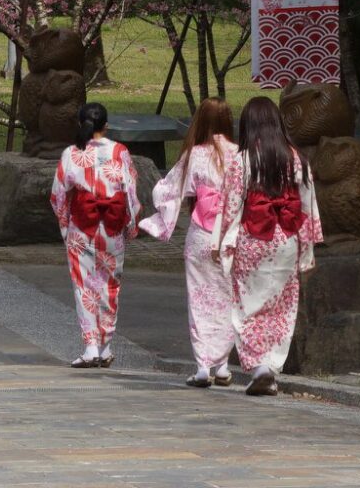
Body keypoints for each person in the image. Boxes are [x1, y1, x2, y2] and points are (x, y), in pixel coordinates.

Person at [219, 96, 322, 396]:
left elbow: (232, 206)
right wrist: (307, 249)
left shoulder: (243, 160)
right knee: (282, 306)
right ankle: (272, 366)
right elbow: (308, 206)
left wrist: (223, 242)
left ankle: (259, 367)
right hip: (286, 239)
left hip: (253, 238)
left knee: (247, 305)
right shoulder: (296, 158)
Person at [139, 98, 238, 387]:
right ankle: (222, 365)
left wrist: (162, 216)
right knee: (229, 297)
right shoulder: (240, 155)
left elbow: (168, 190)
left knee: (200, 297)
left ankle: (203, 366)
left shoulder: (194, 155)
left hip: (201, 234)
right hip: (232, 234)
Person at [50, 101, 139, 369]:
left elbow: (58, 195)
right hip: (112, 228)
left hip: (82, 226)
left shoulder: (71, 153)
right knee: (110, 286)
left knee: (84, 286)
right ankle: (106, 346)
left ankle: (91, 347)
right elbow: (131, 194)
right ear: (106, 126)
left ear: (81, 124)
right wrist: (130, 226)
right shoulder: (120, 152)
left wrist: (66, 226)